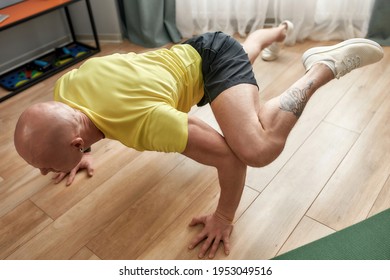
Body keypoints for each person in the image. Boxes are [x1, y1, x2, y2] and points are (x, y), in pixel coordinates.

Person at [13, 21, 384, 259]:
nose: (44, 171)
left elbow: (229, 159)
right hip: (184, 60)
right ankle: (276, 32)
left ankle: (323, 67)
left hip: (210, 58)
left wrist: (223, 216)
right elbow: (78, 121)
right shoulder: (65, 91)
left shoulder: (143, 123)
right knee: (245, 58)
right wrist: (74, 155)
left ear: (78, 143)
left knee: (256, 146)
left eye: (44, 164)